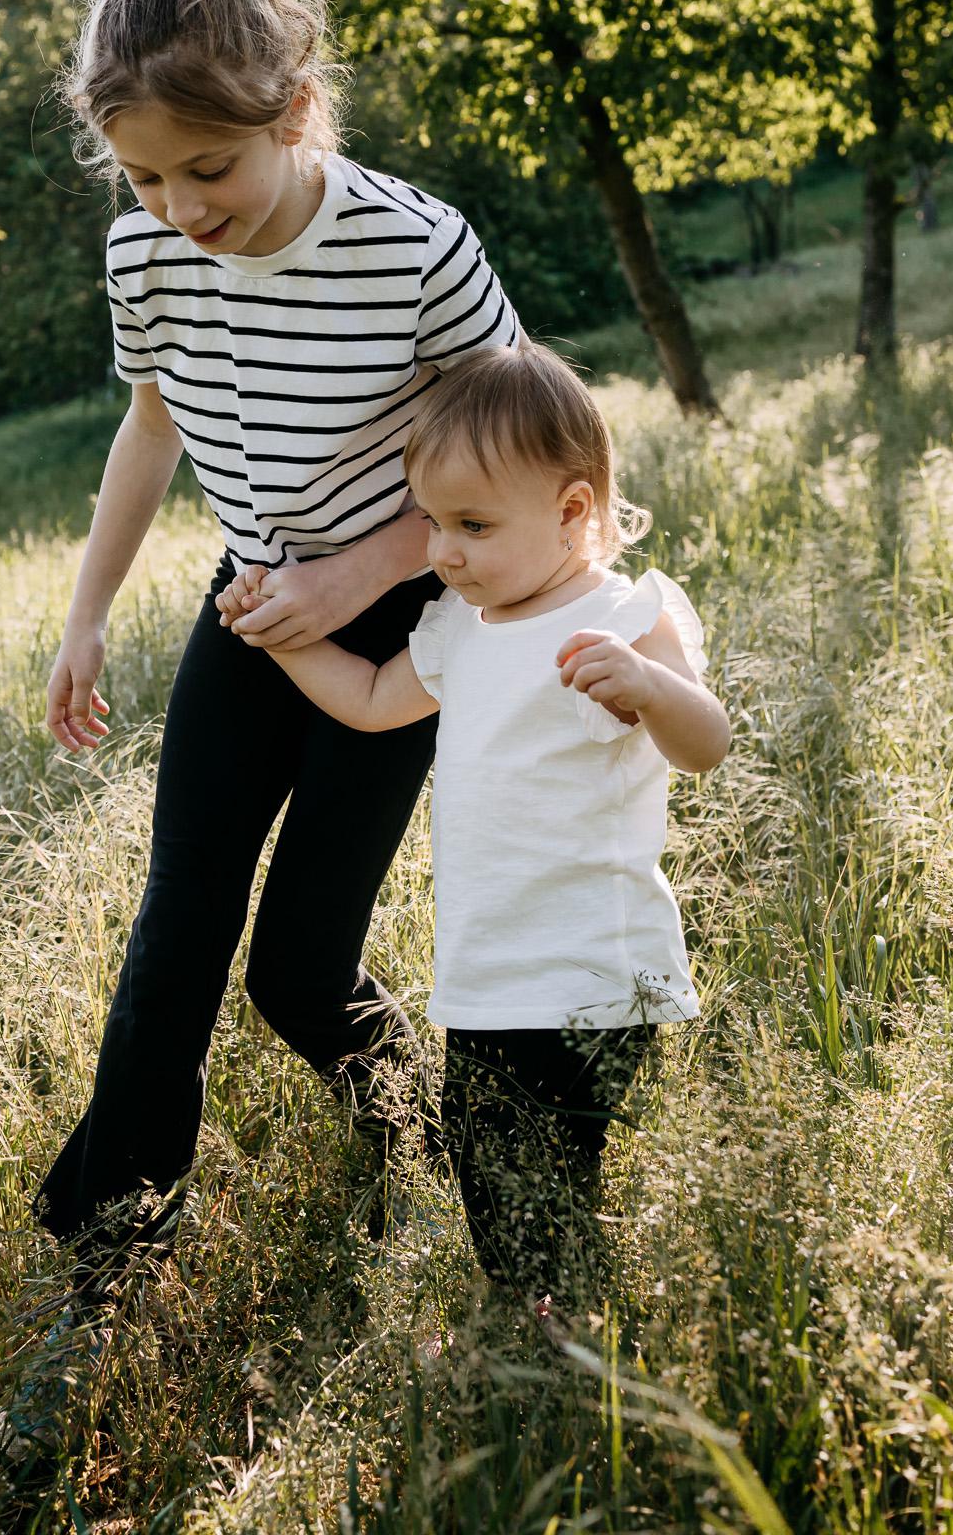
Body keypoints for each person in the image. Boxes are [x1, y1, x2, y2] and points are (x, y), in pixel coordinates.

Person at [34, 0, 521, 1303]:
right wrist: (87, 614)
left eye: (209, 168)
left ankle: (429, 1144)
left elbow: (525, 446)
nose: (183, 211)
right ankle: (112, 1251)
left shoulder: (415, 246)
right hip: (251, 609)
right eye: (142, 179)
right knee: (177, 920)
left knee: (300, 974)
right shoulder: (147, 255)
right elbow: (150, 426)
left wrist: (359, 572)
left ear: (294, 109)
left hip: (407, 615)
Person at [225, 339, 731, 1301]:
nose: (442, 551)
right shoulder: (461, 625)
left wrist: (651, 688)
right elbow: (373, 698)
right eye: (432, 522)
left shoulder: (625, 620)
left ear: (571, 511)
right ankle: (555, 1339)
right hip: (488, 974)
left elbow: (704, 744)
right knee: (498, 1188)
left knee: (539, 1191)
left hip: (591, 968)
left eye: (471, 524)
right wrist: (276, 634)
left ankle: (571, 1353)